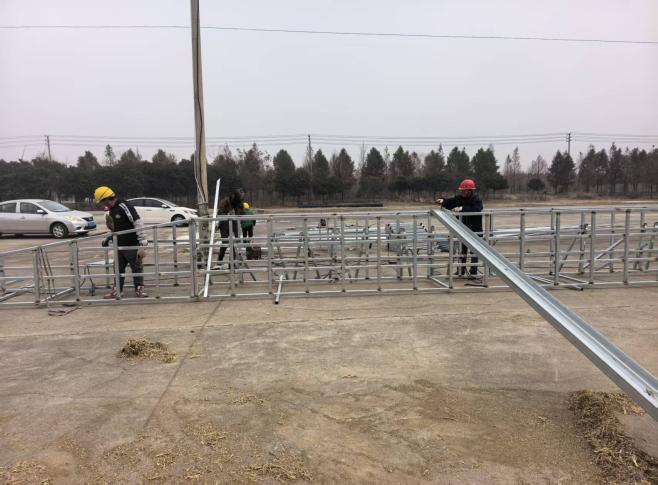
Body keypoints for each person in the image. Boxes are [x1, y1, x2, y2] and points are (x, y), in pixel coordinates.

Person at [94, 186, 148, 298]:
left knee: (136, 267)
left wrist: (142, 240)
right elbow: (114, 228)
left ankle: (139, 289)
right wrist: (108, 238)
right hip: (119, 245)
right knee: (118, 268)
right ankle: (118, 290)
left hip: (132, 243)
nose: (103, 205)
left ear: (107, 199)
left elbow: (137, 221)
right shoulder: (111, 210)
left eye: (103, 202)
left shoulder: (124, 206)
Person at [436, 179, 483, 278]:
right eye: (461, 191)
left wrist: (463, 208)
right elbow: (451, 202)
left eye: (464, 191)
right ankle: (461, 270)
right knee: (462, 250)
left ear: (470, 191)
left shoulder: (476, 199)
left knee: (474, 251)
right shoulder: (459, 198)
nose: (462, 193)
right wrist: (443, 201)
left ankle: (473, 272)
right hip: (462, 229)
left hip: (474, 229)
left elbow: (477, 208)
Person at [216, 188, 244, 264]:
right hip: (224, 223)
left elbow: (242, 213)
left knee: (235, 242)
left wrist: (237, 215)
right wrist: (227, 214)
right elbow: (219, 213)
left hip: (234, 223)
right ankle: (220, 259)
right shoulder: (225, 201)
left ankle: (232, 262)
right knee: (225, 242)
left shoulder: (239, 203)